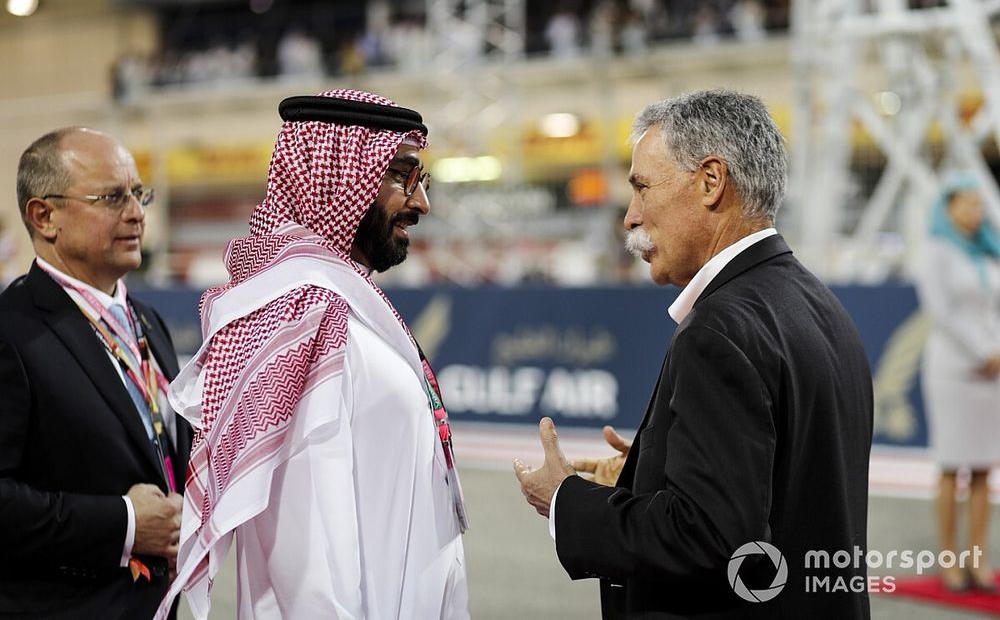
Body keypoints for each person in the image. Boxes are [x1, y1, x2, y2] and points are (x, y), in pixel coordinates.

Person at [513, 90, 874, 618]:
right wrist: (653, 473)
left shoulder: (721, 328)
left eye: (641, 188)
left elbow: (708, 536)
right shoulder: (818, 304)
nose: (630, 217)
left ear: (710, 181)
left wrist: (566, 501)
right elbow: (784, 481)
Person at [157, 89, 469, 620]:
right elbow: (308, 566)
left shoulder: (341, 299)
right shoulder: (301, 315)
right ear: (332, 177)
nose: (421, 204)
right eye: (401, 175)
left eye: (421, 180)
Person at [0, 127, 192, 618]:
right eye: (111, 197)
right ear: (44, 217)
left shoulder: (148, 322)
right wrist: (124, 523)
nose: (136, 212)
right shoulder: (12, 330)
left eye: (137, 193)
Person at [916, 173, 1000, 594]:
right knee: (952, 465)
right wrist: (983, 352)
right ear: (947, 207)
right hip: (954, 369)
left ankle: (978, 559)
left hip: (993, 373)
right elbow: (942, 312)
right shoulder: (936, 250)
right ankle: (950, 560)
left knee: (986, 467)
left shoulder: (989, 251)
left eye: (978, 204)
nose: (974, 211)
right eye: (966, 203)